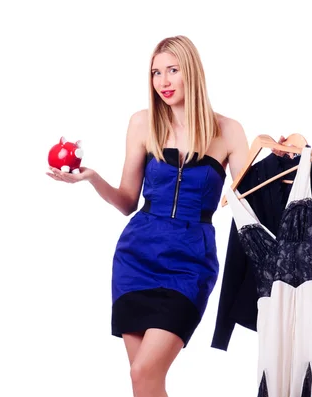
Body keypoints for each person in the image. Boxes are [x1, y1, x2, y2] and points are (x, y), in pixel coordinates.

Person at [47, 35, 250, 397]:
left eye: (173, 70)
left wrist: (288, 162)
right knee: (144, 380)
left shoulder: (228, 131)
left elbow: (252, 201)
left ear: (192, 72)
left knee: (144, 373)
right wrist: (92, 178)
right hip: (136, 259)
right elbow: (127, 201)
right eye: (156, 72)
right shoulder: (143, 123)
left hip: (190, 263)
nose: (163, 82)